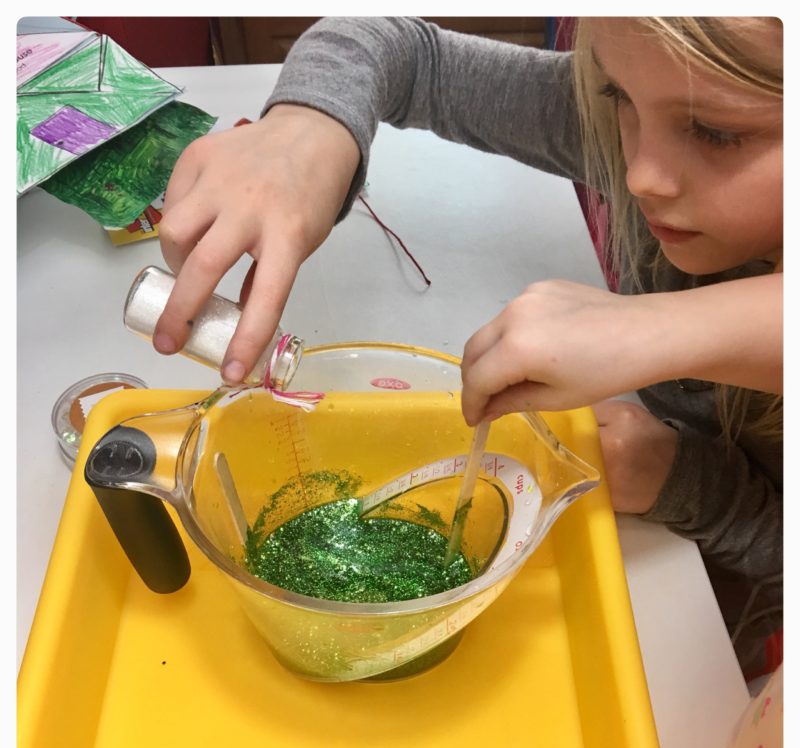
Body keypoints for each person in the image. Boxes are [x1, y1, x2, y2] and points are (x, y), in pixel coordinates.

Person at [153, 17, 782, 678]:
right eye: (615, 97)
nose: (639, 175)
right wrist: (307, 128)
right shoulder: (656, 111)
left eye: (718, 133)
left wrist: (690, 479)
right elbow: (389, 47)